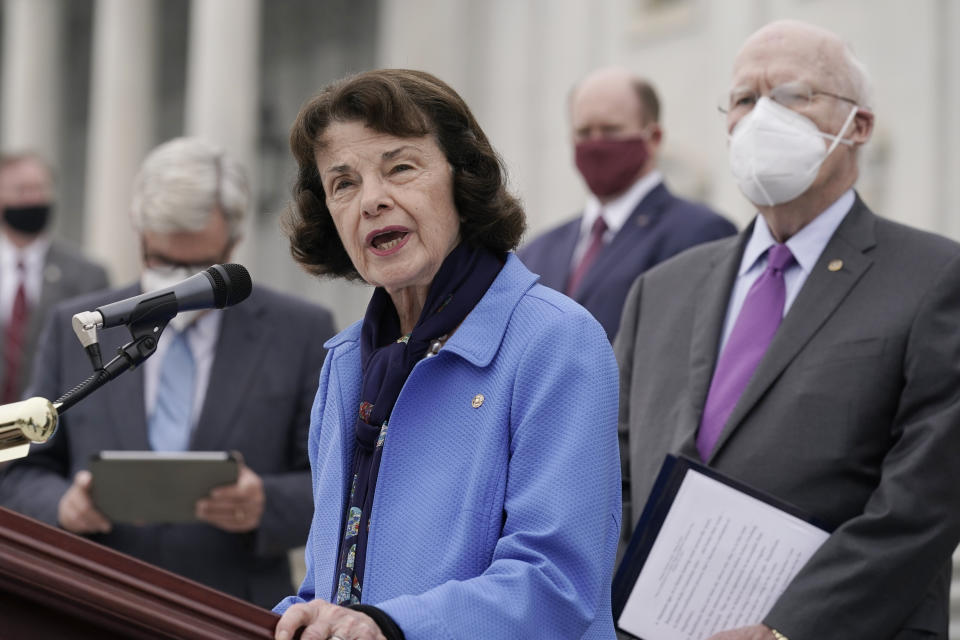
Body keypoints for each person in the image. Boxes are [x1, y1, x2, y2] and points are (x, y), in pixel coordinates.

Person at [615, 19, 960, 639]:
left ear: (859, 125)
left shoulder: (935, 277)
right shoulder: (660, 291)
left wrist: (786, 630)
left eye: (793, 95)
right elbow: (611, 476)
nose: (761, 117)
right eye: (745, 99)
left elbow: (926, 498)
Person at [271, 69, 621, 640]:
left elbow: (555, 583)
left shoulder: (556, 342)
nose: (373, 201)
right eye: (343, 184)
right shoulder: (345, 365)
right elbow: (331, 589)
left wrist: (389, 626)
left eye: (400, 168)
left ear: (463, 178)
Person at [0, 137, 336, 609]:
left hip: (233, 608)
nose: (177, 281)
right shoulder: (76, 325)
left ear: (233, 243)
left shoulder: (302, 331)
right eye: (162, 261)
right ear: (140, 237)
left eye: (198, 266)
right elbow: (19, 470)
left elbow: (336, 485)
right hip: (92, 602)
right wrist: (61, 506)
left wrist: (265, 503)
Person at [518, 67, 736, 341]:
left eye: (611, 131)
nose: (596, 145)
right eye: (584, 133)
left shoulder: (701, 234)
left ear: (654, 138)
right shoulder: (538, 253)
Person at [0, 152, 109, 403]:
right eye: (22, 190)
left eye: (40, 189)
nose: (33, 199)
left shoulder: (88, 276)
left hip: (51, 418)